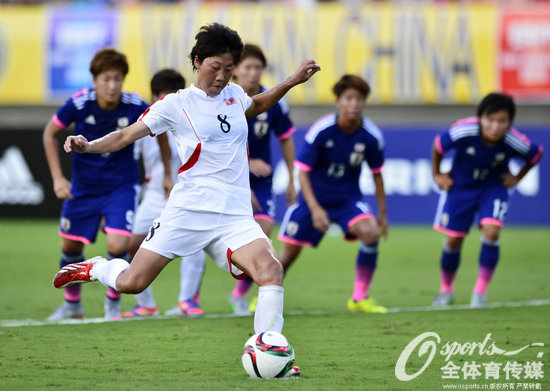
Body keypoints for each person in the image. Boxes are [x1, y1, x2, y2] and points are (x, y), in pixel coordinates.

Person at [53, 23, 319, 376]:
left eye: (229, 68)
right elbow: (125, 135)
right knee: (133, 283)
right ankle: (95, 267)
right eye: (215, 67)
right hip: (188, 212)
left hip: (234, 217)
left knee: (271, 271)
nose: (222, 76)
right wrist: (89, 145)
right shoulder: (175, 105)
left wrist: (290, 81)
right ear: (197, 61)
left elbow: (255, 105)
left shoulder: (235, 96)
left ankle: (270, 355)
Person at [43, 48, 149, 321]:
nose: (112, 86)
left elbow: (158, 131)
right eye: (106, 79)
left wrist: (165, 174)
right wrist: (57, 178)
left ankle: (113, 302)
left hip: (121, 186)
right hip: (84, 187)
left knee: (118, 243)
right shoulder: (79, 104)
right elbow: (49, 133)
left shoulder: (136, 105)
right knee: (70, 247)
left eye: (117, 79)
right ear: (95, 80)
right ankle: (72, 304)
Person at [278, 75, 389, 314]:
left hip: (347, 200)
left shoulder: (371, 136)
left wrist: (382, 213)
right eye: (349, 98)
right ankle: (257, 296)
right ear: (338, 101)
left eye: (359, 99)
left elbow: (378, 175)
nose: (354, 104)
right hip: (312, 200)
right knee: (287, 255)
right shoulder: (322, 130)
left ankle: (359, 298)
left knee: (370, 233)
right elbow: (303, 173)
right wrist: (316, 209)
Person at [431, 92, 543, 308]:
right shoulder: (464, 131)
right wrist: (437, 175)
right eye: (490, 120)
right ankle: (446, 290)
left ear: (509, 122)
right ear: (481, 118)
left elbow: (536, 154)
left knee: (491, 232)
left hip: (493, 189)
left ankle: (480, 292)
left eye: (502, 121)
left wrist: (517, 178)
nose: (495, 126)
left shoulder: (513, 140)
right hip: (460, 187)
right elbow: (438, 145)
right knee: (454, 240)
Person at [121, 69, 206, 318]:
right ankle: (146, 304)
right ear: (154, 97)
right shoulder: (146, 125)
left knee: (195, 244)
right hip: (155, 195)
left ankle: (187, 300)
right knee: (131, 244)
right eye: (161, 97)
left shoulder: (192, 123)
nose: (166, 102)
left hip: (187, 195)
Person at [227, 43, 298, 316]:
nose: (254, 73)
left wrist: (291, 178)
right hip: (231, 179)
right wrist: (246, 165)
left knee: (264, 230)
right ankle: (191, 297)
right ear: (236, 70)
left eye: (258, 67)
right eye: (248, 67)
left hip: (263, 181)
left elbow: (286, 139)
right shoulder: (225, 98)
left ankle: (239, 294)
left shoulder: (273, 99)